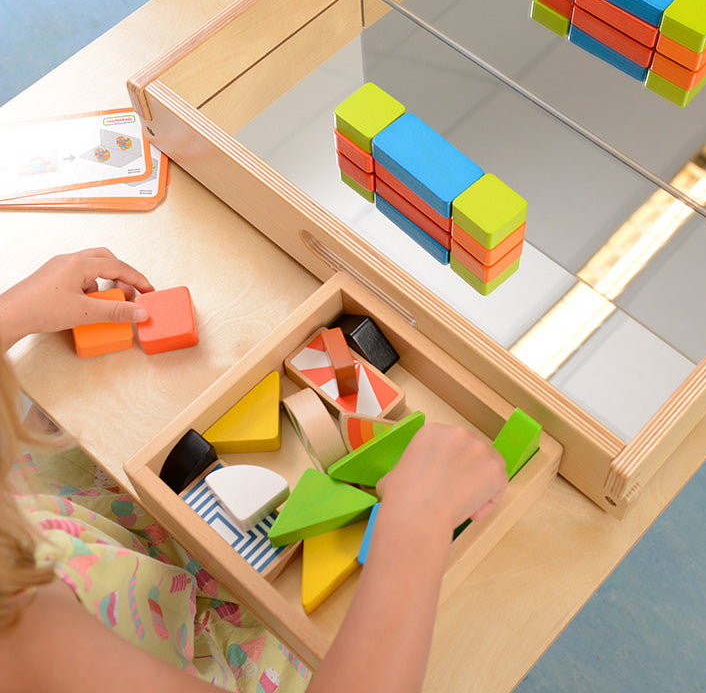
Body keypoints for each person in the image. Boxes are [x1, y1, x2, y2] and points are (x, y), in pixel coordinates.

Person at [0, 248, 508, 693]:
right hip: (173, 641)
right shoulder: (24, 638)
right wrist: (415, 524)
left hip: (83, 541)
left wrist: (13, 312)